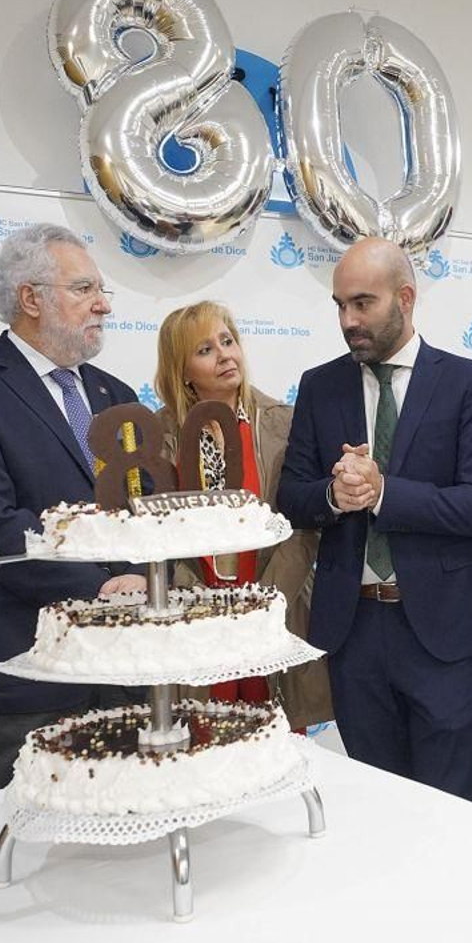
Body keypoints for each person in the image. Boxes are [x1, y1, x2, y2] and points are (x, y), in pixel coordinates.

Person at [278, 237, 472, 805]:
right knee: (380, 799)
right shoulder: (319, 385)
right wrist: (335, 493)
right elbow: (292, 498)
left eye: (363, 303)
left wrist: (384, 494)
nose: (348, 320)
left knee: (454, 801)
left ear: (405, 297)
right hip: (352, 632)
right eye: (339, 306)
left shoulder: (466, 382)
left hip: (442, 632)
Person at [0, 223, 145, 793]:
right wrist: (100, 585)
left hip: (124, 669)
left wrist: (139, 575)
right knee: (31, 851)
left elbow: (143, 512)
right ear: (30, 298)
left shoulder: (117, 396)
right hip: (27, 670)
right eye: (84, 289)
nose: (103, 305)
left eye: (102, 291)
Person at [154, 301, 331, 728]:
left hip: (275, 608)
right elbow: (154, 532)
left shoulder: (285, 423)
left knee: (277, 746)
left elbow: (302, 526)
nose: (224, 355)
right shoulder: (160, 434)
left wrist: (263, 603)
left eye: (228, 341)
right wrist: (198, 601)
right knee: (206, 747)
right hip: (197, 620)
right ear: (182, 371)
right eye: (204, 350)